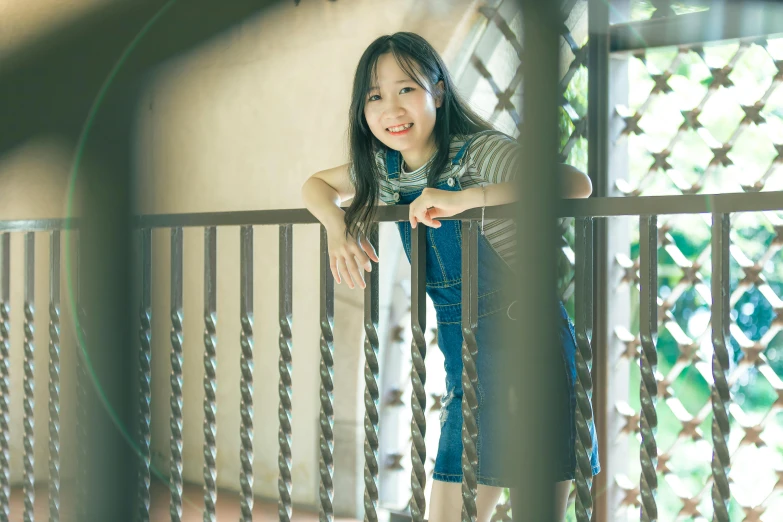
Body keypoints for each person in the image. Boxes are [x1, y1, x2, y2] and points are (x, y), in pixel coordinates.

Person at [301, 32, 600, 522]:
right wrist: (338, 229)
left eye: (406, 89)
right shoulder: (387, 168)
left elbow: (575, 183)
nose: (391, 109)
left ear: (436, 91)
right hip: (472, 368)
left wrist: (466, 200)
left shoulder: (478, 152)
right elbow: (316, 186)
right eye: (375, 96)